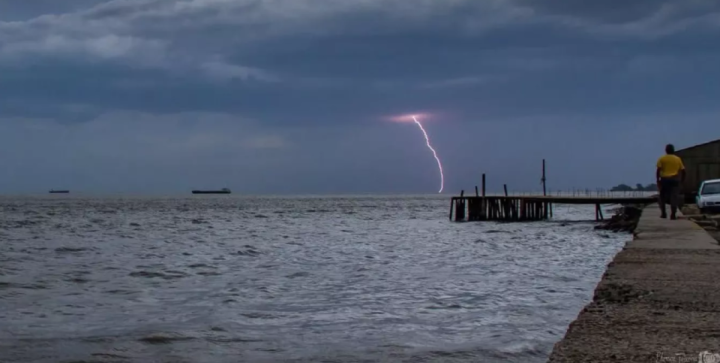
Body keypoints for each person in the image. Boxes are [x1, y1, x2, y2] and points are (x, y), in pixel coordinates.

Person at [656, 144, 686, 219]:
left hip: (664, 179)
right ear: (673, 150)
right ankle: (673, 214)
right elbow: (683, 171)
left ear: (666, 150)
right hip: (675, 179)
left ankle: (663, 213)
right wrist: (682, 181)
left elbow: (658, 170)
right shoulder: (677, 159)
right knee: (674, 197)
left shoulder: (662, 158)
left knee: (662, 197)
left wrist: (658, 180)